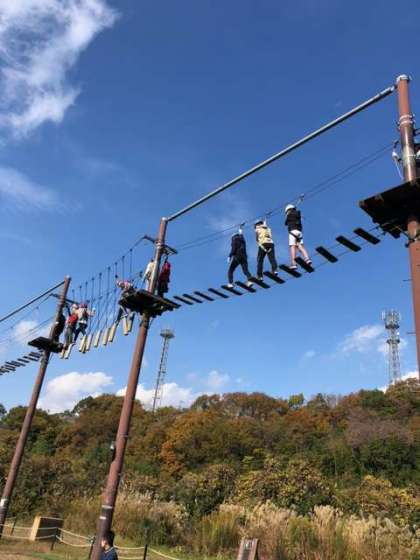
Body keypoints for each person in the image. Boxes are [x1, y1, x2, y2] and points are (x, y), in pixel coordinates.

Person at [284, 204, 311, 269]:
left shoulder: (289, 215)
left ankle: (294, 263)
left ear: (288, 210)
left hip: (293, 232)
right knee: (300, 246)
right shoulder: (298, 214)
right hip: (299, 232)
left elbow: (285, 223)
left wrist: (287, 215)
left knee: (292, 247)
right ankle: (307, 259)